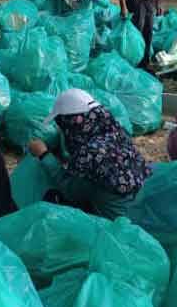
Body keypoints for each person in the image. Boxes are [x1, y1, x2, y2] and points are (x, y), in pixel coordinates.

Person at [27, 89, 151, 219]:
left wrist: (44, 155)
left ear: (70, 122)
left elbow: (70, 191)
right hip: (137, 209)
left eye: (61, 123)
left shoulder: (90, 154)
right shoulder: (114, 131)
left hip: (114, 222)